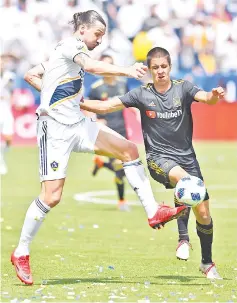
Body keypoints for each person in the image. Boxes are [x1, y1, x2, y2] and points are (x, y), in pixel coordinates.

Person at [11, 11, 186, 285]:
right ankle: (21, 252)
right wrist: (127, 69)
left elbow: (31, 74)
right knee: (52, 196)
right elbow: (91, 67)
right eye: (97, 35)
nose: (99, 40)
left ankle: (152, 211)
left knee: (129, 149)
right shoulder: (71, 47)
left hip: (79, 124)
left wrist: (51, 92)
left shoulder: (63, 52)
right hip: (54, 129)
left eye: (103, 36)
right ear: (82, 30)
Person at [80, 47, 225, 280]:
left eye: (163, 67)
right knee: (185, 181)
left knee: (204, 215)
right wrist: (81, 103)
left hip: (187, 158)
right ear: (149, 70)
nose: (160, 71)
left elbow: (207, 98)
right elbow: (108, 106)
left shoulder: (183, 88)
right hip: (158, 159)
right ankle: (183, 238)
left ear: (170, 67)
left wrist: (214, 96)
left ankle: (207, 263)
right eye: (155, 67)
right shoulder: (141, 94)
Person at [88, 54, 131, 211]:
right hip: (105, 130)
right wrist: (95, 119)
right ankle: (122, 201)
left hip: (122, 128)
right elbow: (85, 107)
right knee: (120, 165)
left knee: (125, 166)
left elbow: (130, 103)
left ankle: (102, 164)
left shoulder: (122, 85)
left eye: (109, 65)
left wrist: (141, 118)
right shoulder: (96, 88)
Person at [0, 70, 15, 175]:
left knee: (8, 139)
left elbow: (11, 82)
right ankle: (1, 162)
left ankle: (2, 155)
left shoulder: (8, 75)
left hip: (6, 113)